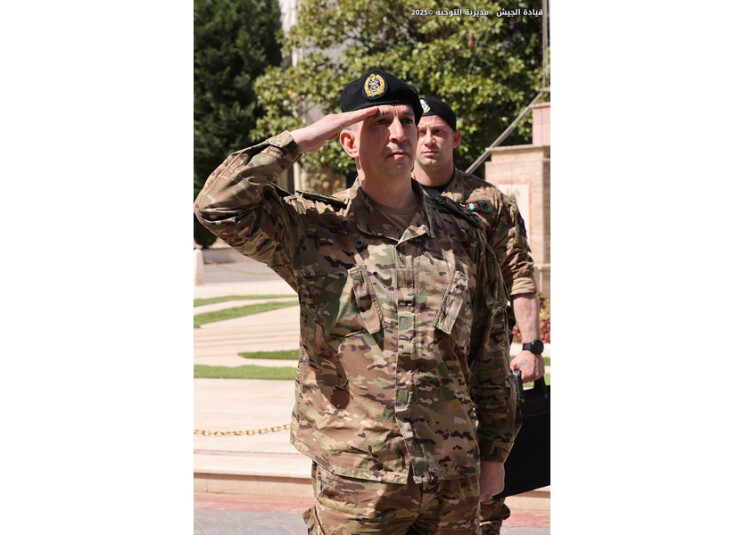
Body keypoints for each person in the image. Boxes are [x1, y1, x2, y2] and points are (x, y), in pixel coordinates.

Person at [195, 69, 520, 534]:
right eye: (378, 122)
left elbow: (490, 351)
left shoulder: (463, 235)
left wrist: (494, 455)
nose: (398, 133)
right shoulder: (312, 227)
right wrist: (299, 141)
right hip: (356, 479)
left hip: (451, 475)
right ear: (347, 141)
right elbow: (216, 206)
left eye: (406, 121)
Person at [413, 96, 545, 534]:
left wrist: (531, 346)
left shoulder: (489, 202)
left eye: (438, 131)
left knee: (485, 495)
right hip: (414, 365)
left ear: (455, 139)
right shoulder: (390, 198)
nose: (429, 140)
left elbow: (518, 273)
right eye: (421, 131)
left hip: (479, 366)